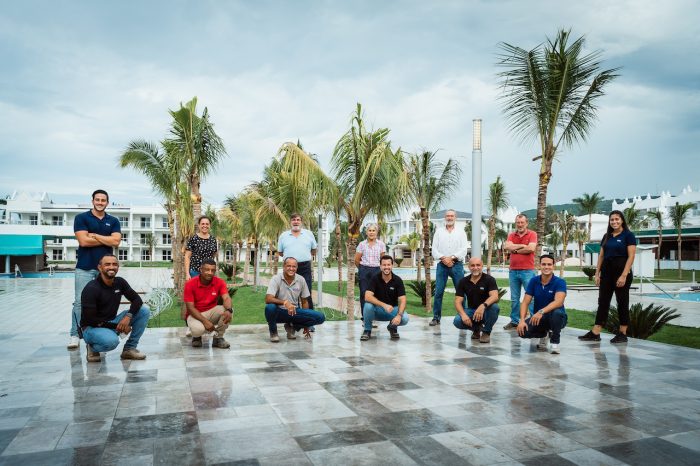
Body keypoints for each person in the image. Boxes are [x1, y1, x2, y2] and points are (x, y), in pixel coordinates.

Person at [68, 189, 122, 350]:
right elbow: (83, 242)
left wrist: (96, 236)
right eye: (97, 200)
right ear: (92, 201)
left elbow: (116, 242)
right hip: (85, 267)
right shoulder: (81, 218)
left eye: (103, 200)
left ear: (107, 202)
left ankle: (101, 331)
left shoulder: (113, 220)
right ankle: (75, 335)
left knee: (103, 302)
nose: (100, 202)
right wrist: (107, 240)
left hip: (106, 270)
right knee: (79, 302)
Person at [579, 210, 637, 344]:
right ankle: (595, 332)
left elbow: (631, 256)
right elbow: (601, 256)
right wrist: (597, 273)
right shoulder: (607, 236)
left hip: (621, 273)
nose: (614, 222)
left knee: (622, 302)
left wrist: (623, 275)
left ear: (622, 220)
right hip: (606, 274)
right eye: (612, 220)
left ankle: (622, 333)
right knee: (603, 302)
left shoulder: (628, 235)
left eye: (617, 219)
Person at [80, 254, 149, 362]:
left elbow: (137, 300)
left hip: (111, 322)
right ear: (100, 267)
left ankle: (129, 349)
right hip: (92, 328)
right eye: (107, 264)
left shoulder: (119, 282)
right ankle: (92, 347)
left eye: (114, 264)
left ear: (118, 267)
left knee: (144, 311)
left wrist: (128, 317)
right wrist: (119, 326)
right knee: (112, 341)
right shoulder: (91, 288)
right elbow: (91, 320)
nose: (111, 267)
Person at [265, 257, 326, 342]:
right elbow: (268, 298)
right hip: (279, 312)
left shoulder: (301, 279)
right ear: (284, 266)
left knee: (320, 317)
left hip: (294, 312)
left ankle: (292, 327)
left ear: (297, 268)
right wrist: (285, 302)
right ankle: (273, 332)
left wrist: (305, 325)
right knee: (270, 307)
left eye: (294, 266)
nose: (291, 268)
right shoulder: (276, 279)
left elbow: (304, 301)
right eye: (288, 266)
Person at [517, 255, 568, 354]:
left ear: (553, 266)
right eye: (543, 264)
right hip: (540, 318)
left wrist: (541, 311)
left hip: (558, 318)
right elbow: (525, 302)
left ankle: (555, 343)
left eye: (549, 264)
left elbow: (559, 302)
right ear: (539, 266)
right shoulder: (534, 281)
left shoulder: (560, 282)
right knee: (522, 331)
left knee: (556, 313)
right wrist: (522, 320)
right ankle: (544, 334)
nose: (546, 267)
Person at [183, 259, 233, 349]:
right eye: (207, 270)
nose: (210, 273)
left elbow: (226, 298)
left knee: (227, 311)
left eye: (212, 270)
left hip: (211, 312)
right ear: (200, 269)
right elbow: (190, 308)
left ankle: (218, 338)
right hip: (194, 314)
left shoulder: (219, 282)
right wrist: (205, 322)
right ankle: (196, 337)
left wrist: (229, 310)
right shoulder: (190, 284)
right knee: (199, 330)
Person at [429, 209, 468, 326]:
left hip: (457, 265)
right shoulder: (439, 232)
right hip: (442, 265)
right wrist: (444, 259)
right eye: (447, 216)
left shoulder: (461, 232)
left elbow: (464, 249)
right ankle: (436, 318)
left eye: (451, 216)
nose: (449, 218)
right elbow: (434, 249)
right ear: (445, 217)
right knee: (438, 292)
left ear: (455, 217)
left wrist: (451, 258)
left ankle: (463, 316)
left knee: (461, 292)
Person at [452, 257, 500, 343]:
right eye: (472, 265)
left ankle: (486, 332)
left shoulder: (489, 279)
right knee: (457, 321)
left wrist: (483, 306)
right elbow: (457, 301)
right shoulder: (463, 281)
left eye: (478, 265)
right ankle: (476, 329)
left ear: (482, 266)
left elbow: (495, 296)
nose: (475, 267)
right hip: (471, 310)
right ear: (468, 267)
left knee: (495, 308)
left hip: (486, 310)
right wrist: (463, 315)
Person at [361, 255, 410, 341]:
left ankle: (392, 327)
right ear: (380, 266)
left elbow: (403, 299)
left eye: (388, 265)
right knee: (368, 306)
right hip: (377, 311)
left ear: (392, 266)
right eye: (384, 265)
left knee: (405, 318)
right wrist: (384, 305)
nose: (386, 267)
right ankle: (367, 330)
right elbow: (367, 296)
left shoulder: (398, 280)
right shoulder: (375, 278)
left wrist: (399, 315)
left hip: (392, 311)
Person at [503, 214, 537, 330]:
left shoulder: (532, 234)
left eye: (522, 222)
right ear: (515, 223)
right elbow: (507, 246)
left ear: (526, 223)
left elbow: (531, 249)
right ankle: (514, 321)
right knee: (514, 298)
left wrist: (515, 249)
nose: (520, 225)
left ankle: (533, 321)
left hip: (528, 271)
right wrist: (523, 246)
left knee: (531, 297)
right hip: (513, 271)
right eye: (518, 222)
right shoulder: (512, 235)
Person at [277, 213, 317, 310]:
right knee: (289, 294)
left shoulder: (309, 234)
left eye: (298, 220)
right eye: (293, 220)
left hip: (305, 267)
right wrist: (292, 261)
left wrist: (302, 256)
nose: (296, 222)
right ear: (290, 222)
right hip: (289, 267)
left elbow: (314, 250)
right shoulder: (283, 235)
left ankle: (308, 320)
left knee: (306, 293)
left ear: (301, 222)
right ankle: (292, 321)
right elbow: (280, 252)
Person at [354, 223, 385, 320]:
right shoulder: (362, 244)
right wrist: (362, 269)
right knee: (364, 293)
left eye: (373, 230)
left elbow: (383, 260)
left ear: (376, 232)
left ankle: (374, 316)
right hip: (364, 270)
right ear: (366, 232)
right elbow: (356, 260)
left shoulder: (381, 244)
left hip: (376, 270)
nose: (371, 232)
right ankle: (365, 317)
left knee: (376, 294)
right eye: (369, 230)